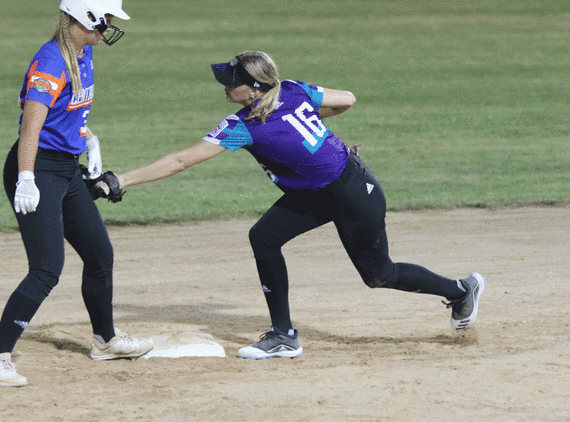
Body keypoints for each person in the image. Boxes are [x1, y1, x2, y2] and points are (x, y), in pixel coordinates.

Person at [108, 51, 486, 360]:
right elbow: (347, 99)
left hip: (353, 193)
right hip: (320, 190)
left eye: (233, 81)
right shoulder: (291, 90)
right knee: (264, 237)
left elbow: (181, 160)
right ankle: (283, 335)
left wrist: (122, 180)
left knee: (379, 275)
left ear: (254, 88)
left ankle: (460, 290)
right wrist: (307, 119)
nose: (225, 85)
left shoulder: (244, 126)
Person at [0, 0, 154, 387]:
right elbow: (31, 128)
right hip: (37, 168)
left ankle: (105, 340)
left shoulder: (82, 52)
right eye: (105, 18)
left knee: (99, 254)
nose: (109, 26)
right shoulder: (52, 61)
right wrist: (25, 178)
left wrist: (89, 140)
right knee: (46, 268)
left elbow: (68, 114)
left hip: (65, 167)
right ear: (85, 15)